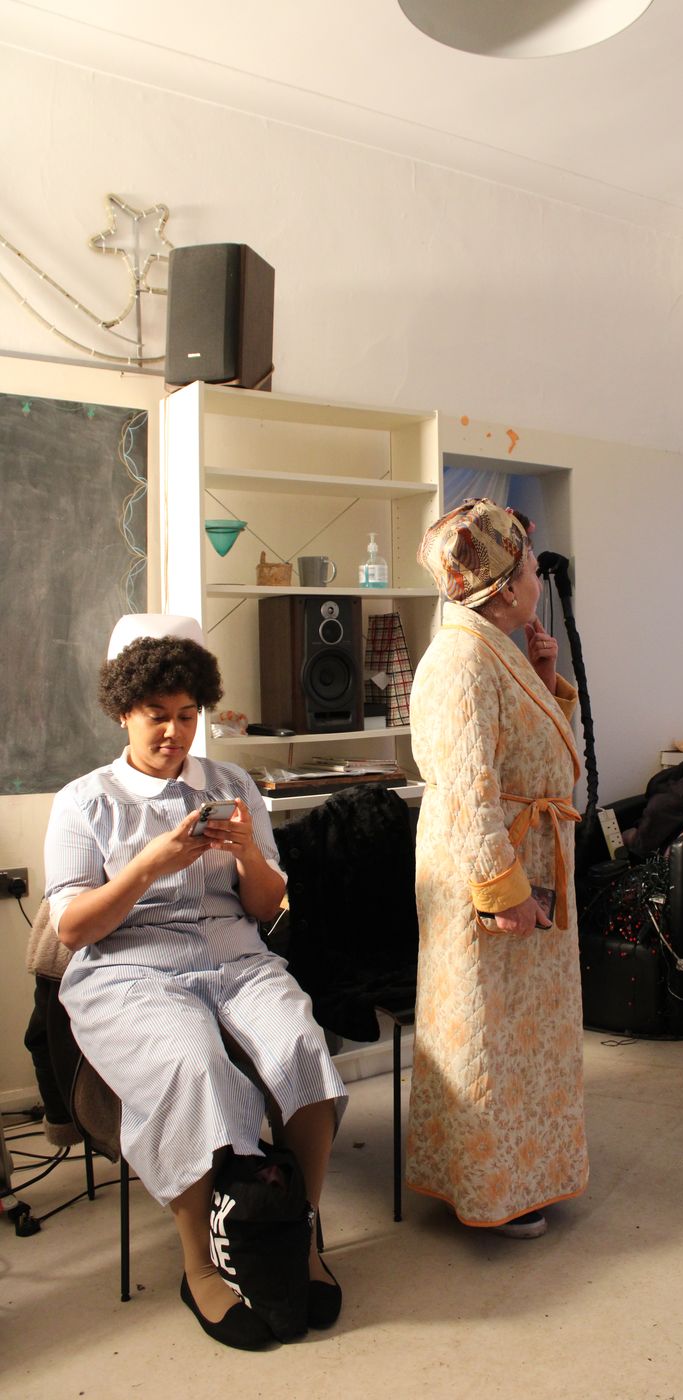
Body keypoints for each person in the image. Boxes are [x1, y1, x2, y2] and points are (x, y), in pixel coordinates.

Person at [44, 615, 347, 1348]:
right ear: (123, 712)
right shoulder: (85, 802)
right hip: (130, 969)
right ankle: (200, 1268)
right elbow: (73, 929)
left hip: (233, 956)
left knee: (303, 1047)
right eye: (157, 719)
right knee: (196, 1067)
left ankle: (297, 1236)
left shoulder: (232, 783)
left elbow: (268, 907)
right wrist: (150, 864)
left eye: (187, 717)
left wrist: (247, 853)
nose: (174, 735)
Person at [406, 499, 588, 1238]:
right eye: (529, 568)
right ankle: (489, 1185)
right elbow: (465, 790)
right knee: (488, 1036)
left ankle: (523, 1173)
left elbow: (531, 753)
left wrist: (546, 676)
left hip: (527, 856)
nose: (537, 579)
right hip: (492, 871)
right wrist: (501, 890)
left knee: (524, 1038)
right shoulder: (458, 659)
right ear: (506, 584)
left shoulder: (494, 645)